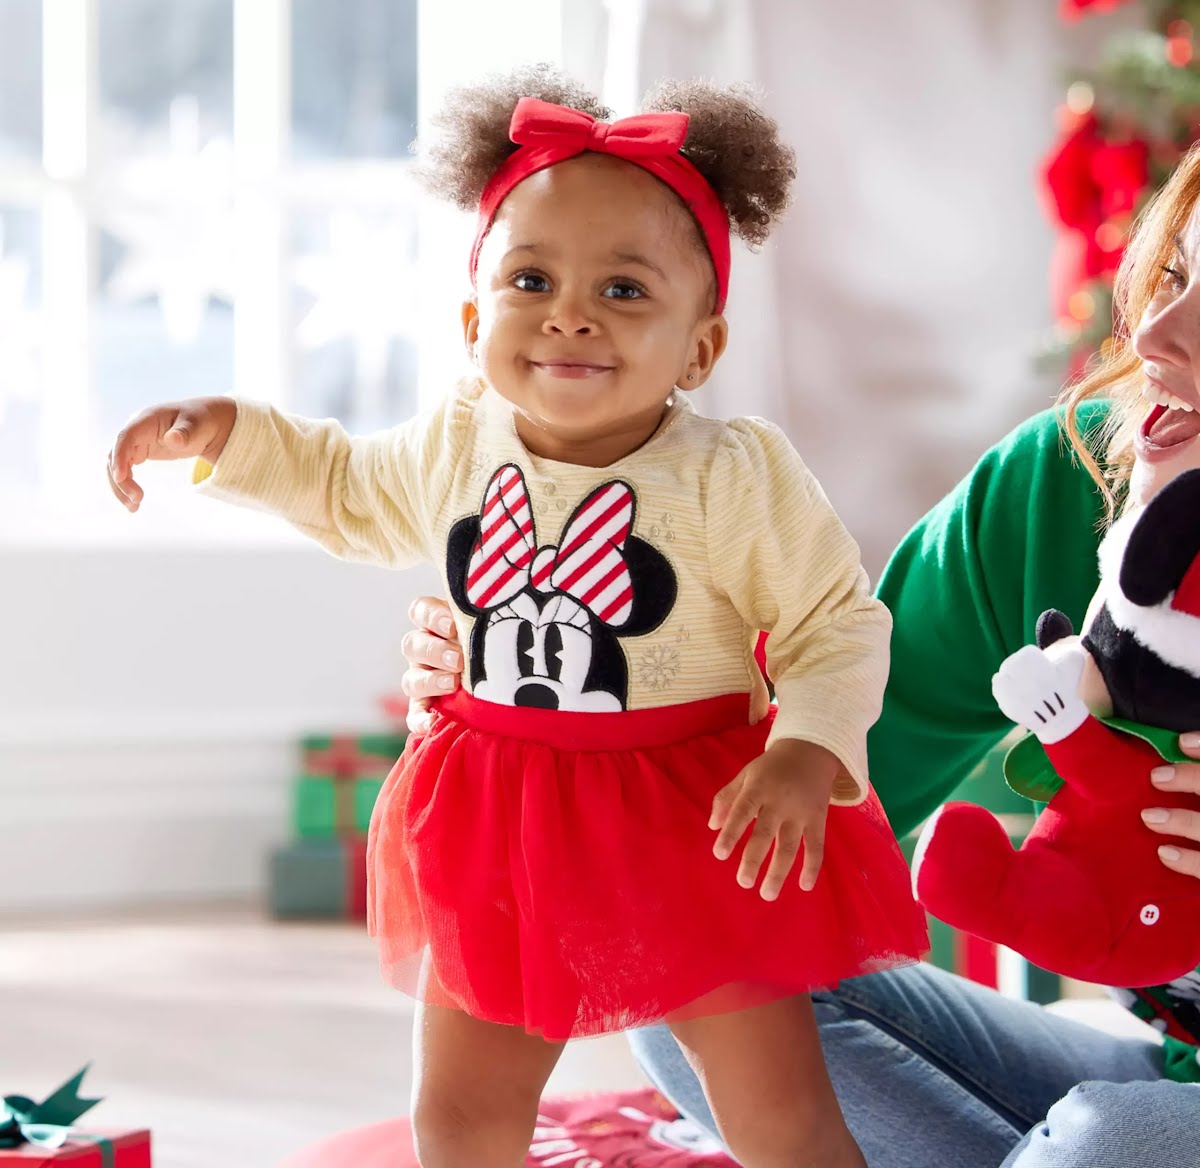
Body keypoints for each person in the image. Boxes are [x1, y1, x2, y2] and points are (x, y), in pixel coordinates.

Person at [104, 68, 928, 1168]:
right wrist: (228, 435)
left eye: (626, 291)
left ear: (702, 347)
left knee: (775, 1114)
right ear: (471, 316)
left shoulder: (733, 476)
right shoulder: (458, 438)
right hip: (498, 817)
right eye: (530, 279)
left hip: (691, 820)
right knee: (457, 1113)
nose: (570, 314)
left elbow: (837, 620)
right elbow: (347, 486)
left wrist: (806, 746)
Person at [399, 143, 1200, 1165]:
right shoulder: (1065, 483)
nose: (1162, 336)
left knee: (1108, 1145)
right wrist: (533, 658)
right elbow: (821, 774)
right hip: (1165, 1074)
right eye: (1173, 278)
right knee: (705, 961)